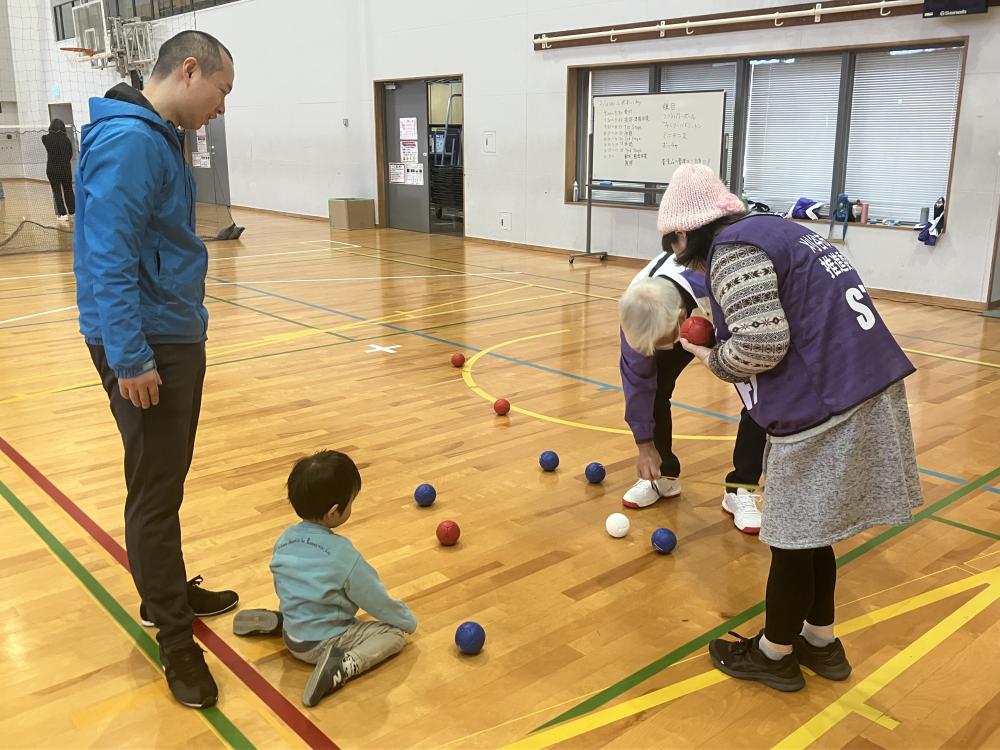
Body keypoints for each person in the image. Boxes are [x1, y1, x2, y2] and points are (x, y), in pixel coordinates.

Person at [661, 163, 921, 691]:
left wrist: (710, 354)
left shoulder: (732, 253)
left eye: (674, 244)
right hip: (866, 385)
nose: (678, 257)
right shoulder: (779, 230)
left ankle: (775, 652)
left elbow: (761, 344)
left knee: (792, 537)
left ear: (685, 230)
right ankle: (821, 642)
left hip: (832, 401)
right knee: (814, 530)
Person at [73, 30, 237, 709]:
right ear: (190, 70)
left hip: (162, 332)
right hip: (150, 343)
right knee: (155, 491)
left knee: (159, 483)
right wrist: (132, 354)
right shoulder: (135, 141)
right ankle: (175, 639)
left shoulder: (148, 133)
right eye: (222, 92)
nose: (221, 109)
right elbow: (107, 254)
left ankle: (161, 592)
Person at [234, 451, 416, 707]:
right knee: (393, 635)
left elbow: (284, 585)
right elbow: (375, 600)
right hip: (321, 643)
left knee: (306, 595)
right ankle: (341, 666)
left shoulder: (285, 538)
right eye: (351, 502)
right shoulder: (343, 555)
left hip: (293, 636)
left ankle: (283, 621)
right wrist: (406, 620)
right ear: (334, 513)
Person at [618, 249, 768, 534]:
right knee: (654, 389)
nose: (654, 353)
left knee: (757, 395)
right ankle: (664, 475)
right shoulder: (636, 311)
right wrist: (644, 446)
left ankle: (740, 488)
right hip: (680, 315)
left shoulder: (723, 282)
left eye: (661, 344)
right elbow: (638, 384)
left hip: (733, 317)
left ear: (682, 316)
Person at [42, 118, 75, 221]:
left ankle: (62, 214)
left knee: (56, 191)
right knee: (68, 189)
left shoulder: (45, 138)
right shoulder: (66, 139)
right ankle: (73, 212)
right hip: (65, 168)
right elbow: (70, 154)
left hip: (52, 169)